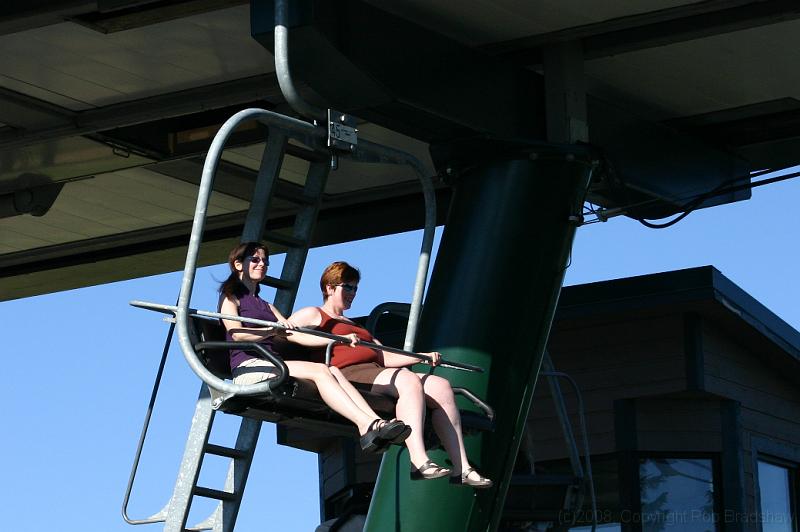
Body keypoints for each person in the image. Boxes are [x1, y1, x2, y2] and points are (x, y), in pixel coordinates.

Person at [288, 261, 492, 488]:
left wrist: (421, 357)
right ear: (329, 288)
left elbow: (384, 356)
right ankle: (418, 460)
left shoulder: (357, 327)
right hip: (348, 373)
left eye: (355, 288)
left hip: (376, 371)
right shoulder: (315, 313)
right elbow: (287, 332)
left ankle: (462, 468)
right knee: (407, 379)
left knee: (440, 386)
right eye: (347, 287)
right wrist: (332, 339)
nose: (352, 294)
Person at [218, 241, 410, 453]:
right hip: (250, 367)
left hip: (273, 363)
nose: (261, 264)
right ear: (238, 265)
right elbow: (237, 335)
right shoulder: (231, 298)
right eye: (255, 260)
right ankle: (366, 425)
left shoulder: (268, 307)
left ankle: (374, 423)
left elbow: (293, 333)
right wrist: (272, 331)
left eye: (265, 261)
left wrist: (337, 340)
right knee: (321, 370)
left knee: (332, 370)